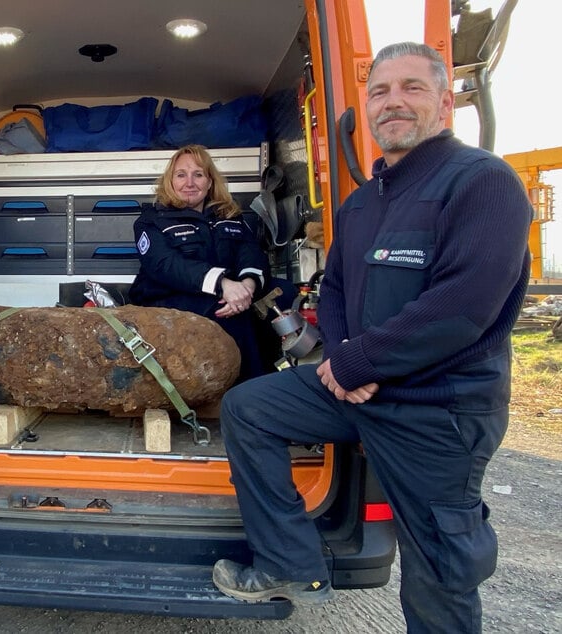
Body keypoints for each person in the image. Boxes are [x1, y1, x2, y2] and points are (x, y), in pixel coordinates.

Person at [212, 42, 532, 633]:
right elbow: (332, 291)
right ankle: (289, 563)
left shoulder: (483, 182)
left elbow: (464, 307)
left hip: (438, 409)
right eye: (380, 91)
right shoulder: (363, 203)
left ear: (443, 102)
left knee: (439, 570)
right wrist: (338, 360)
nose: (393, 102)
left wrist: (358, 362)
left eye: (411, 88)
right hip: (360, 389)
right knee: (249, 408)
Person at [129, 144, 286, 380]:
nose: (189, 182)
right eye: (181, 175)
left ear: (210, 182)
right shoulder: (151, 220)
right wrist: (223, 285)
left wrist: (248, 285)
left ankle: (289, 374)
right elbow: (166, 265)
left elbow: (250, 252)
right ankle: (251, 389)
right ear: (169, 182)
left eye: (198, 174)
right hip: (168, 297)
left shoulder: (229, 216)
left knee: (286, 294)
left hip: (230, 292)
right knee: (230, 314)